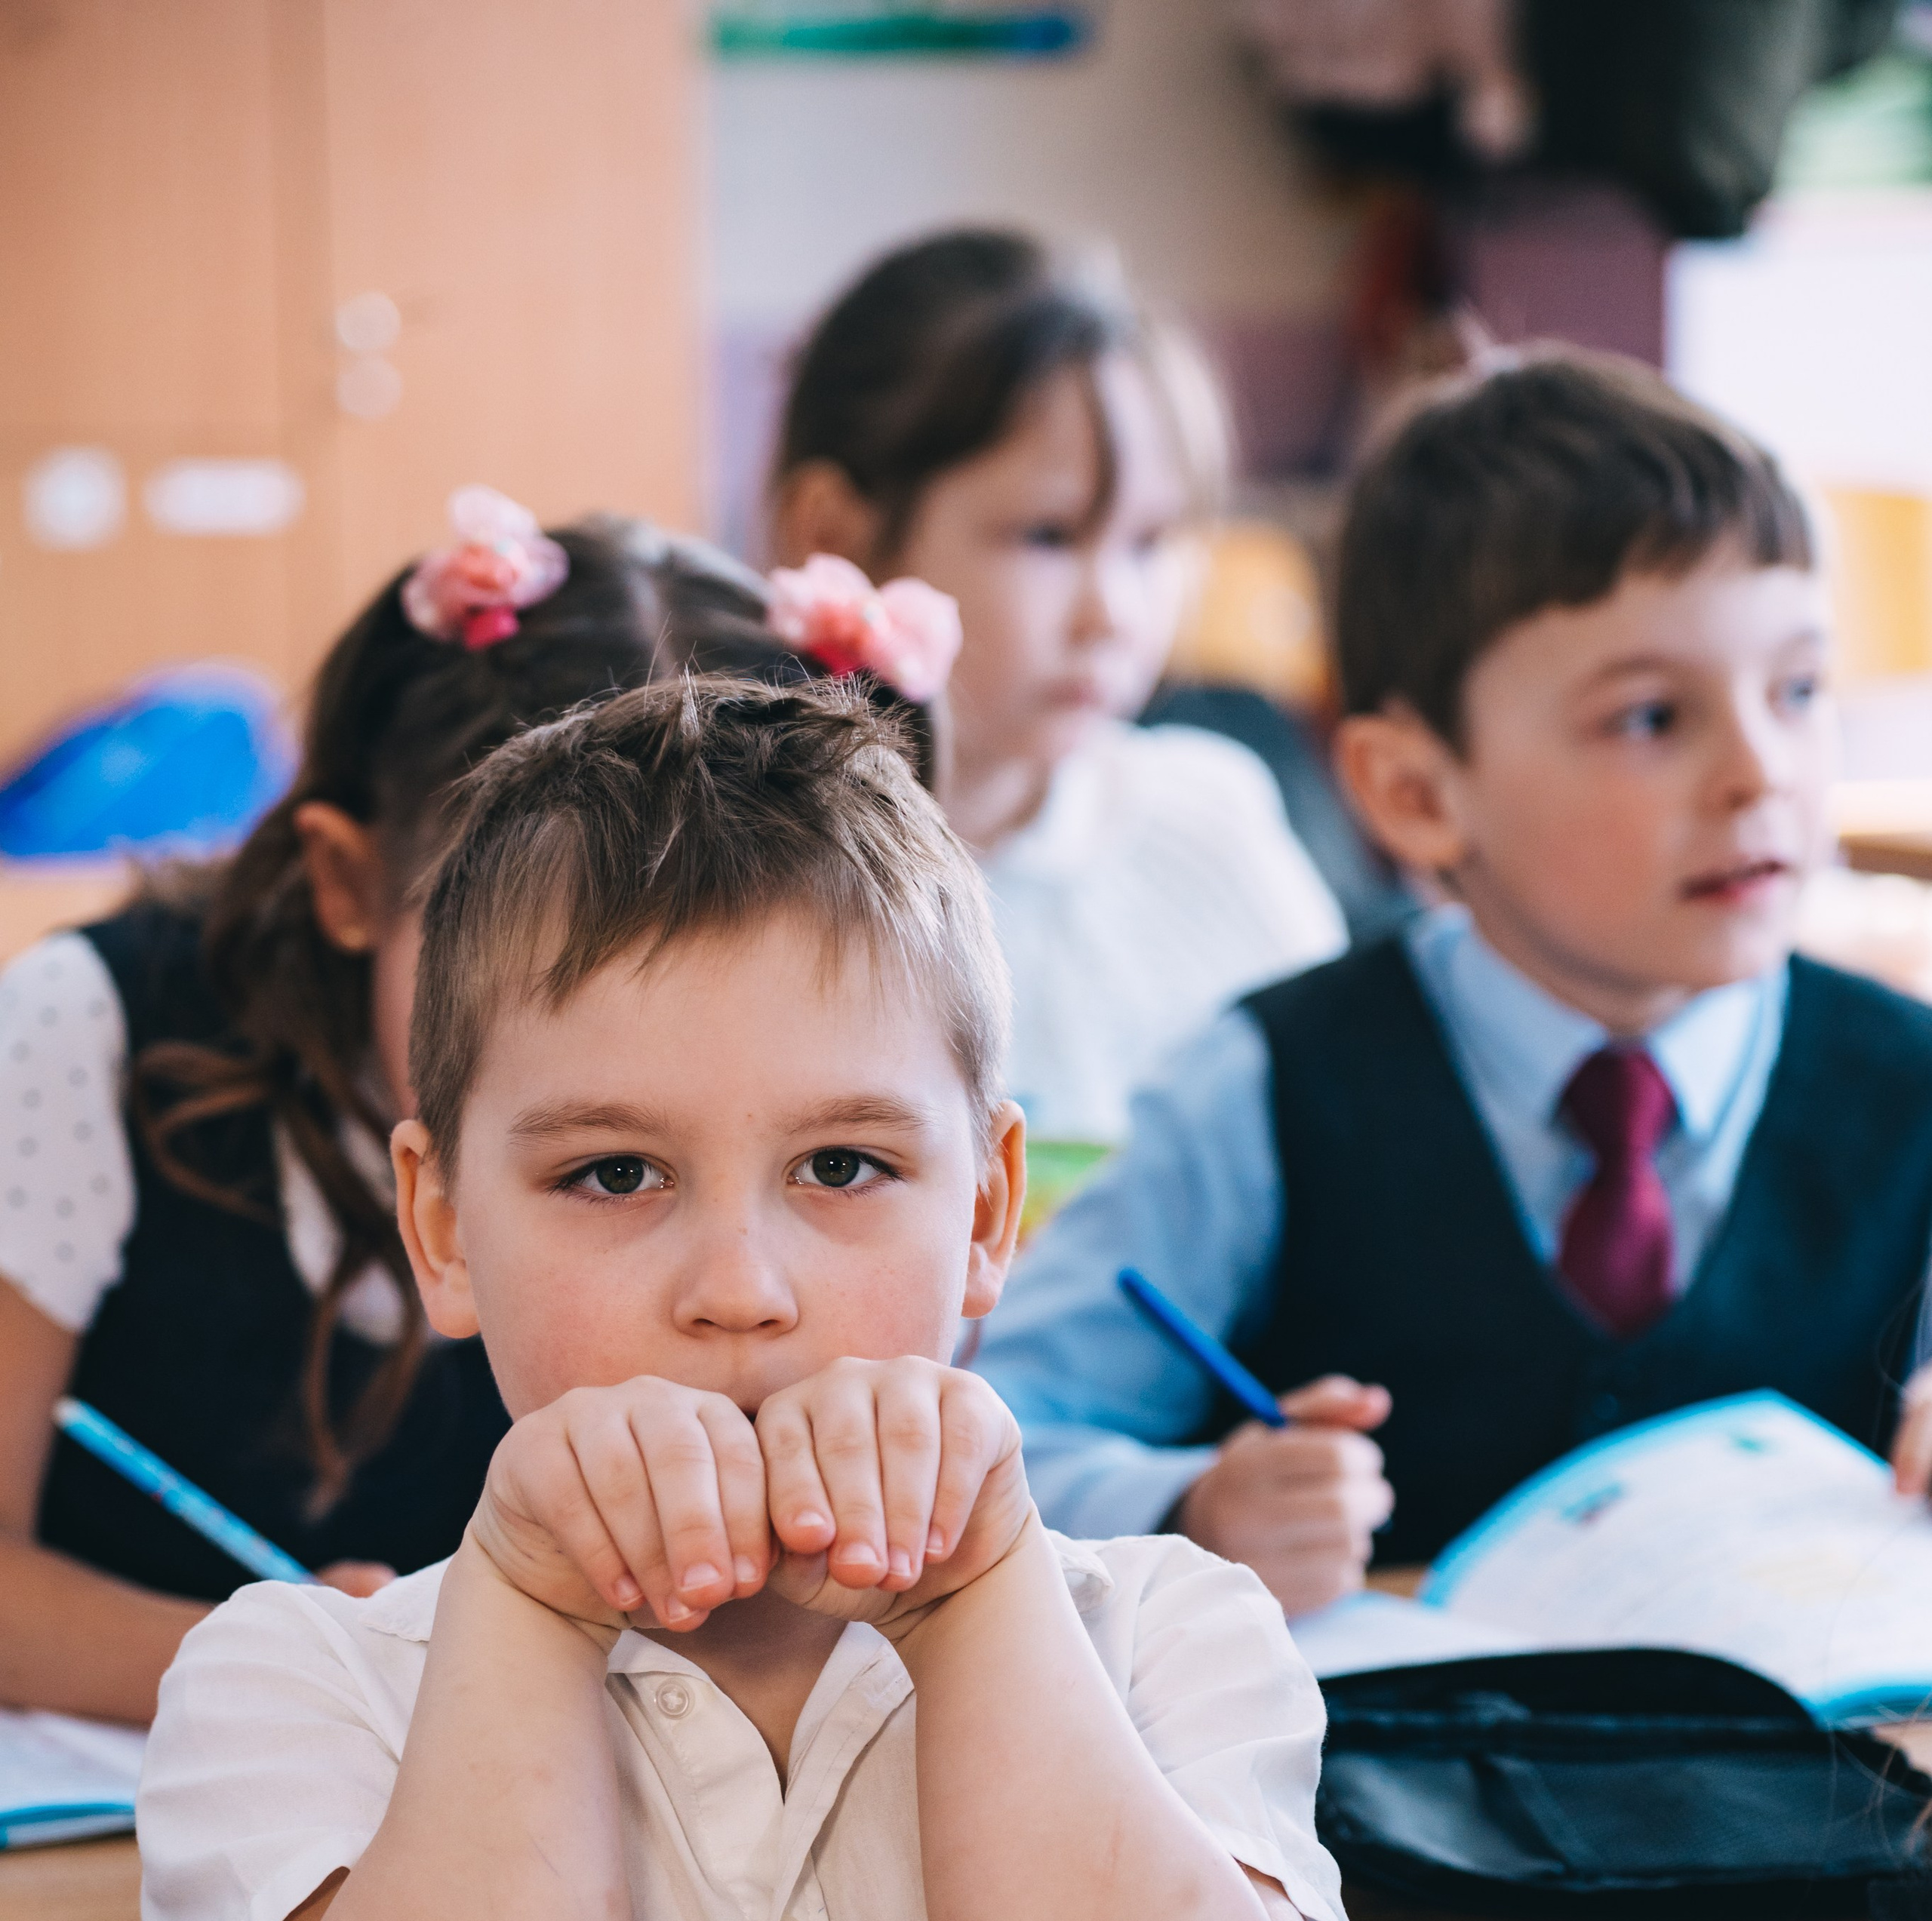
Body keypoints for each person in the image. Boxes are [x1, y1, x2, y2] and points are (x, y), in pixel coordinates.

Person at [137, 675, 1382, 1921]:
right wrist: (523, 1596)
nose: (740, 1284)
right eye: (613, 1171)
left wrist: (971, 1596)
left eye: (846, 1164)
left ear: (983, 1213)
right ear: (439, 1225)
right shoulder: (297, 1688)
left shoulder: (1158, 1631)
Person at [974, 349, 1932, 1609]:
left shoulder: (1909, 1083)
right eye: (1651, 717)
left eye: (1799, 690)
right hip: (1387, 1790)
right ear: (1415, 792)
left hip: (1826, 1790)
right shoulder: (1265, 1083)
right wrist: (1194, 1505)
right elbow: (1002, 1436)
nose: (1762, 771)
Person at [0, 490, 952, 1724]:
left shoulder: (857, 1146)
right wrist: (295, 1663)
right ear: (348, 879)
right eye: (495, 920)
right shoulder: (93, 1030)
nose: (638, 1023)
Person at [768, 226, 1348, 1145]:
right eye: (1047, 536)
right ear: (835, 534)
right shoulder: (732, 865)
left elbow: (1345, 1147)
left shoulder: (1206, 826)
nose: (1113, 613)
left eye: (1151, 543)